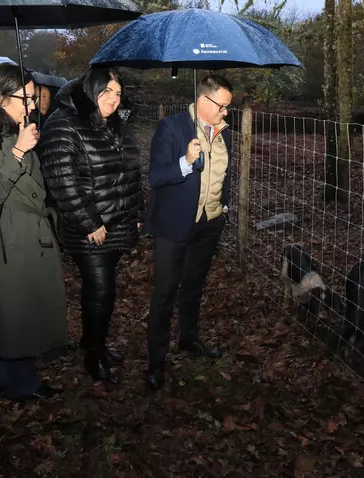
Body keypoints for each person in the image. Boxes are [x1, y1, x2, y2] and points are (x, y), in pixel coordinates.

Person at [0, 63, 68, 401]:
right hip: (8, 238)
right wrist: (19, 151)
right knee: (18, 309)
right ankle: (23, 383)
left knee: (21, 306)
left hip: (29, 234)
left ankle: (0, 375)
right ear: (1, 98)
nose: (33, 104)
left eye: (34, 97)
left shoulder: (14, 129)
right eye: (27, 97)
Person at [39, 67, 142, 385]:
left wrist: (136, 211)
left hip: (118, 223)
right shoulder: (63, 124)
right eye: (106, 91)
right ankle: (94, 356)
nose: (114, 98)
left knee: (101, 291)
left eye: (118, 93)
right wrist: (89, 223)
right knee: (101, 291)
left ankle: (93, 341)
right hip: (91, 229)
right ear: (90, 90)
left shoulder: (115, 123)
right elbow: (62, 182)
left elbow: (130, 172)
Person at [144, 75, 234, 390]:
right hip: (175, 225)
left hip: (209, 224)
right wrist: (186, 161)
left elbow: (226, 174)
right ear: (204, 101)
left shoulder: (224, 133)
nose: (226, 112)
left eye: (228, 107)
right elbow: (155, 177)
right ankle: (156, 361)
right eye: (222, 106)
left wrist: (224, 206)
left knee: (194, 286)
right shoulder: (171, 127)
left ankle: (189, 338)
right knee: (165, 293)